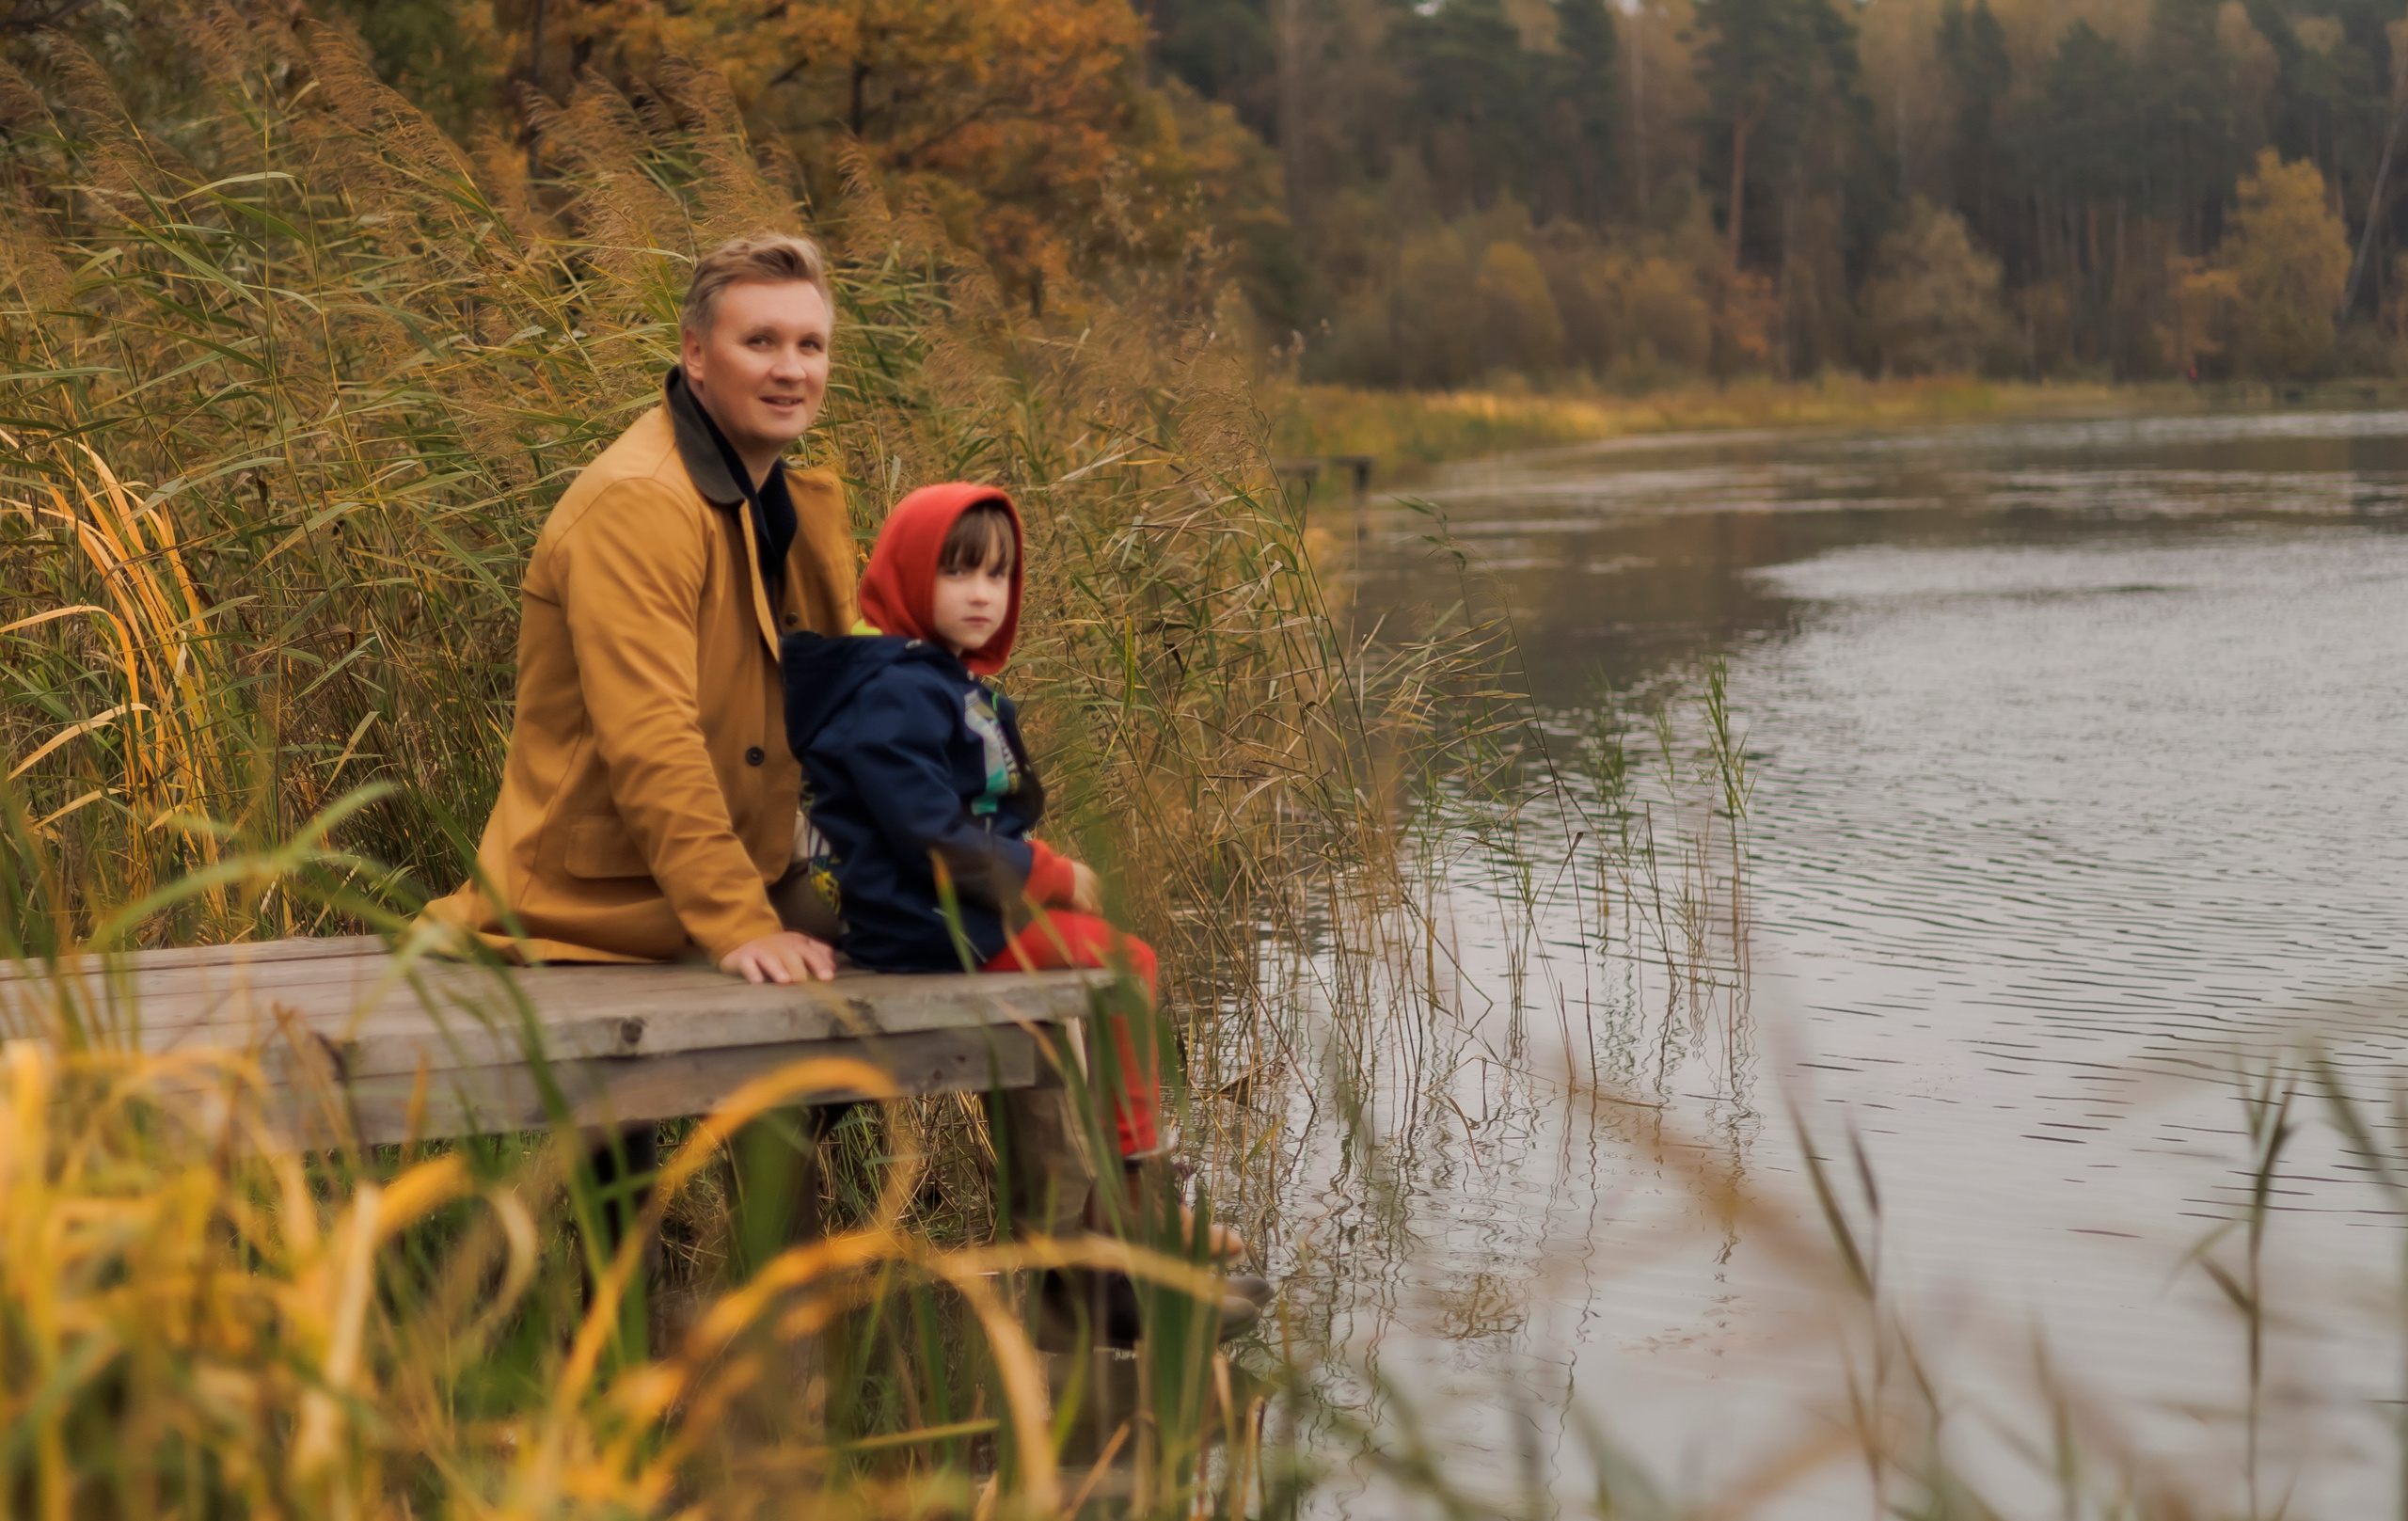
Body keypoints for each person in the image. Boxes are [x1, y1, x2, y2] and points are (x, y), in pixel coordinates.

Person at [421, 232, 859, 1253]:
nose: (792, 369)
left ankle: (1092, 1258)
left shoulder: (783, 498)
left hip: (733, 868)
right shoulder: (640, 504)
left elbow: (849, 701)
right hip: (599, 897)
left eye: (811, 345)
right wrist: (742, 926)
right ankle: (685, 1270)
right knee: (829, 1001)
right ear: (696, 353)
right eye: (761, 341)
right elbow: (650, 740)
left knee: (982, 931)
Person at [782, 484, 1259, 1316]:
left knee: (1112, 964)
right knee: (1123, 964)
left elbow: (978, 812)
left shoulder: (940, 682)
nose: (981, 593)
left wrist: (1036, 868)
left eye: (998, 577)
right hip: (930, 927)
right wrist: (1051, 874)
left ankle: (1119, 1232)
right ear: (904, 576)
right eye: (957, 572)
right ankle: (1128, 1213)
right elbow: (931, 834)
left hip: (963, 914)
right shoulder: (896, 691)